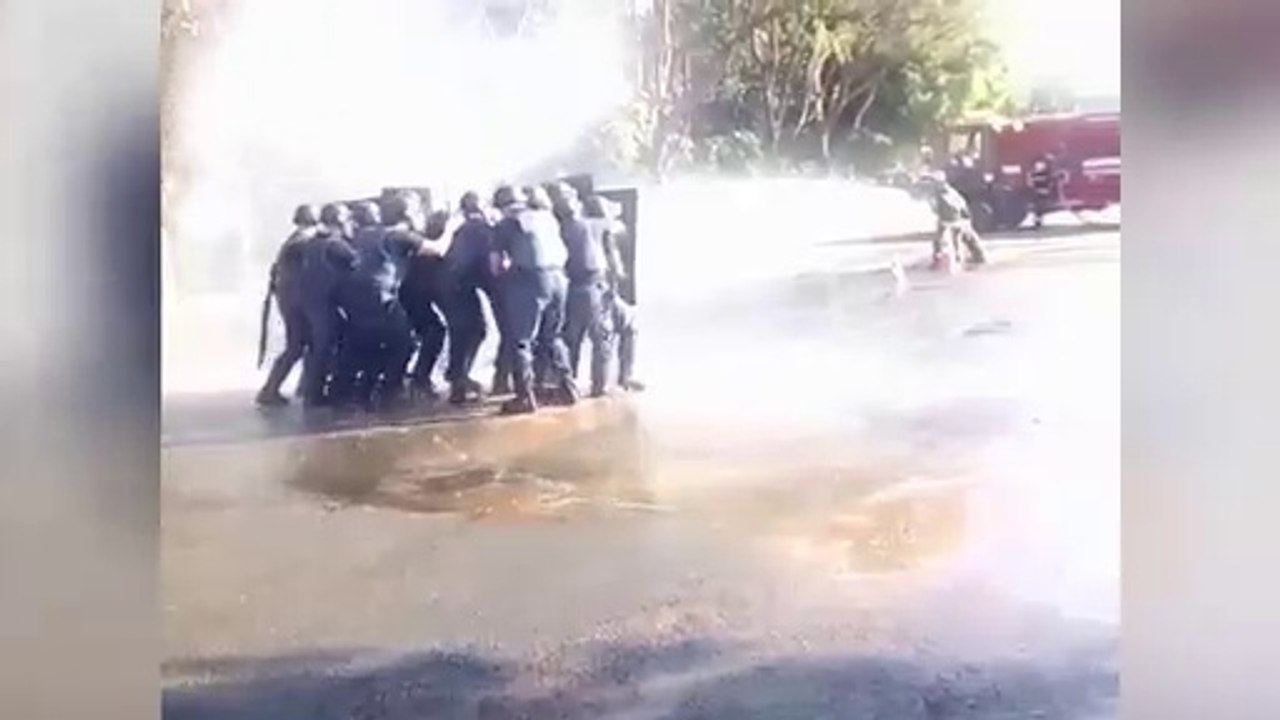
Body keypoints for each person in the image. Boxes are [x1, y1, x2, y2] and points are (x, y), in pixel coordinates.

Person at [335, 193, 437, 409]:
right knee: (404, 343)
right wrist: (451, 225)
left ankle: (360, 393)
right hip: (381, 296)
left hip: (354, 296)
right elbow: (437, 249)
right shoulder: (396, 235)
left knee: (368, 343)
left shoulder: (361, 234)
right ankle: (389, 389)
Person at [490, 184, 577, 415]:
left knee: (521, 341)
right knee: (553, 336)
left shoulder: (507, 224)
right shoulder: (548, 218)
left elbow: (495, 266)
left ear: (502, 206)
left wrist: (507, 273)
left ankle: (524, 397)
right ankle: (568, 388)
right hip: (559, 279)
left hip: (530, 281)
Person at [255, 204, 321, 406]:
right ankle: (271, 390)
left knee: (299, 344)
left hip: (289, 298)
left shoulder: (294, 240)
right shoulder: (305, 241)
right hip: (296, 299)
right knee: (297, 345)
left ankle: (276, 388)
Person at [297, 202, 358, 407]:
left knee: (319, 346)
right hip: (325, 303)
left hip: (311, 301)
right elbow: (357, 264)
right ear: (340, 221)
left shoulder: (313, 242)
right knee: (325, 346)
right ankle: (316, 394)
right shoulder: (335, 244)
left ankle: (310, 390)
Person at [584, 194, 644, 393]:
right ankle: (610, 382)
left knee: (615, 332)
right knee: (607, 335)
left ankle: (609, 382)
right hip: (601, 290)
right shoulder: (601, 228)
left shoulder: (586, 227)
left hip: (602, 289)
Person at [559, 192, 617, 397]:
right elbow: (613, 257)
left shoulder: (564, 228)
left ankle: (569, 385)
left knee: (571, 340)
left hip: (574, 287)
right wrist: (613, 287)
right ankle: (599, 387)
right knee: (601, 339)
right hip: (597, 285)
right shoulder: (598, 226)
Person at [442, 191, 494, 405]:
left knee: (462, 332)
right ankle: (458, 380)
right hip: (460, 283)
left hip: (452, 284)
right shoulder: (482, 229)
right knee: (473, 330)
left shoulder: (463, 229)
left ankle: (458, 378)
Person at [399, 203, 453, 401]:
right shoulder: (408, 236)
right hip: (410, 294)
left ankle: (414, 378)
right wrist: (450, 229)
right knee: (434, 332)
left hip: (406, 294)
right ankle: (419, 380)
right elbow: (439, 250)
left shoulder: (409, 235)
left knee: (422, 336)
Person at [929, 174, 987, 268]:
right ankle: (979, 255)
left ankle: (942, 258)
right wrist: (966, 217)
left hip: (948, 220)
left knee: (941, 239)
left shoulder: (938, 194)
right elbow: (962, 205)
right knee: (966, 237)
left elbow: (935, 209)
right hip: (960, 219)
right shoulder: (953, 192)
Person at [1028, 153, 1059, 229]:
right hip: (1035, 193)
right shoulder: (1032, 173)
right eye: (1038, 164)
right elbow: (1030, 184)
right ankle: (1037, 220)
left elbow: (1050, 184)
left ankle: (1038, 220)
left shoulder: (1047, 174)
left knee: (1040, 207)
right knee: (1038, 207)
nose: (1039, 165)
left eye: (1041, 164)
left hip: (1043, 193)